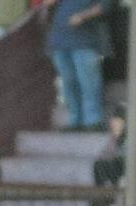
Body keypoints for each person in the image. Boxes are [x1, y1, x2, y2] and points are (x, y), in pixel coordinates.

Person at [44, 0, 113, 132]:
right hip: (60, 40)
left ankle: (93, 121)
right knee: (69, 82)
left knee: (89, 82)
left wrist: (83, 16)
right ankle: (75, 121)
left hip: (85, 41)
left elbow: (106, 6)